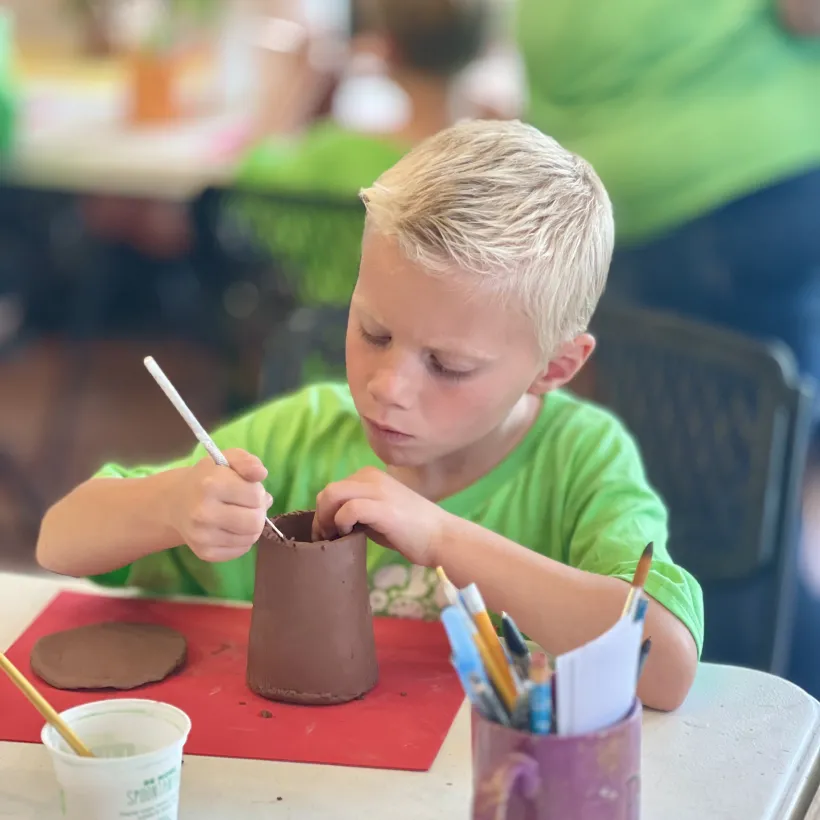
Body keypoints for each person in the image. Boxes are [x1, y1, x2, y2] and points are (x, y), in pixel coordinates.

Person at [36, 119, 704, 712]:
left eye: (447, 366)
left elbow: (666, 668)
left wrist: (444, 540)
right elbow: (58, 541)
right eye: (373, 332)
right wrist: (173, 503)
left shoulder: (580, 458)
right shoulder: (301, 434)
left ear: (554, 368)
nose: (388, 388)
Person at [235, 0, 496, 194]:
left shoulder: (339, 153)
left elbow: (251, 180)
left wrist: (296, 85)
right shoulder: (491, 164)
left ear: (387, 48)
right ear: (482, 47)